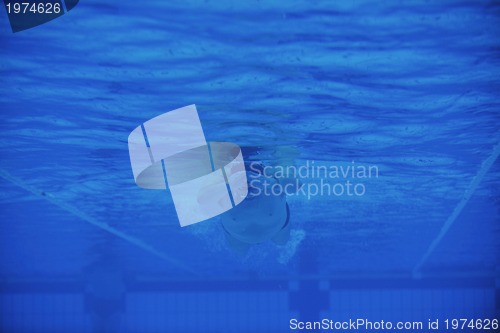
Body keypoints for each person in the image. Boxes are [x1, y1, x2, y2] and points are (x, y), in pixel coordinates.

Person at [220, 161, 292, 255]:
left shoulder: (273, 187)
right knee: (240, 253)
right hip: (236, 236)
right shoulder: (223, 191)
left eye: (253, 181)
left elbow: (295, 185)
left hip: (279, 228)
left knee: (282, 243)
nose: (248, 186)